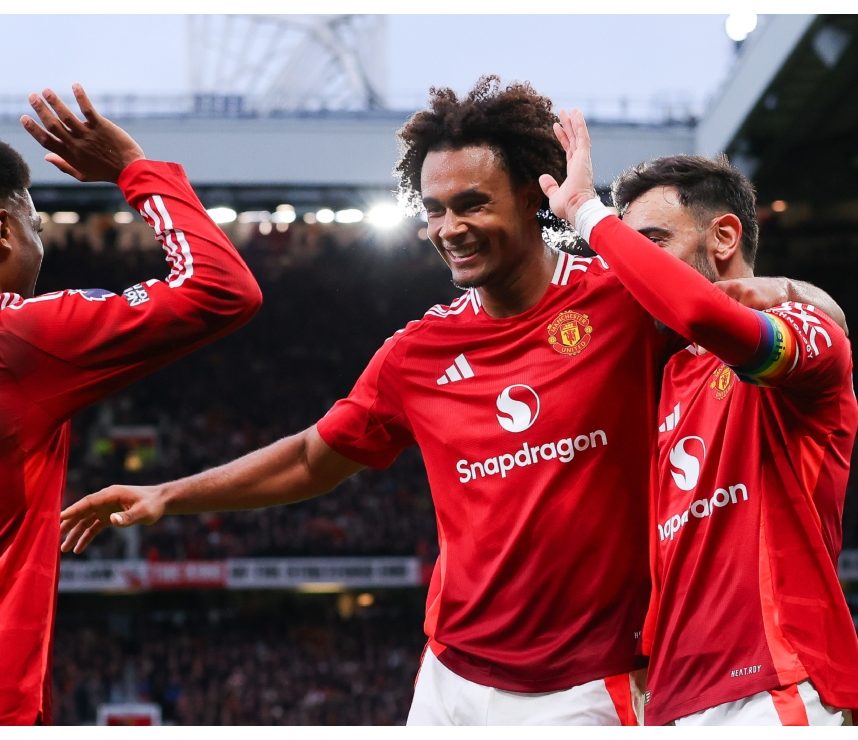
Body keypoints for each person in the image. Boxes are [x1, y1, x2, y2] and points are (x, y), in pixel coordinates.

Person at [58, 76, 840, 726]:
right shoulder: (417, 352)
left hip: (587, 690)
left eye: (471, 204)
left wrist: (789, 293)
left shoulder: (623, 303)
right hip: (449, 679)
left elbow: (739, 316)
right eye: (433, 210)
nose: (449, 228)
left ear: (533, 199)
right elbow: (313, 456)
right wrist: (169, 494)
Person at [540, 108, 858, 725]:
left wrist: (584, 210)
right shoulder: (657, 378)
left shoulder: (807, 330)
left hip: (776, 686)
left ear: (724, 237)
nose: (632, 269)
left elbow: (705, 315)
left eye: (652, 243)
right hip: (672, 700)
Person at [0, 85, 262, 725]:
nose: (42, 245)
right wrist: (132, 168)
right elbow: (220, 288)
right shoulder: (19, 337)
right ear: (3, 231)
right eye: (37, 227)